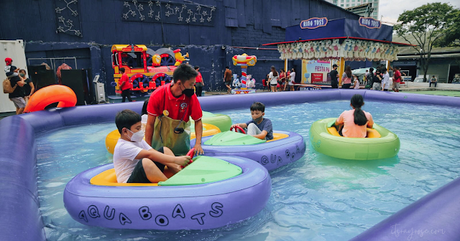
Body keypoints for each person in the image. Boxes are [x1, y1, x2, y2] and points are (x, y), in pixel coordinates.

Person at [113, 109, 191, 183]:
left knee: (164, 150)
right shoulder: (122, 146)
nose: (140, 131)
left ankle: (180, 173)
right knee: (145, 161)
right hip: (129, 181)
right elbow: (149, 155)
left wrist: (176, 161)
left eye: (140, 127)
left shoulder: (137, 140)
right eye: (137, 128)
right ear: (125, 131)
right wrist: (175, 159)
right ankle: (169, 184)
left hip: (143, 173)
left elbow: (152, 151)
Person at [145, 64, 204, 156]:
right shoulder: (157, 95)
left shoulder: (191, 97)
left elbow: (198, 120)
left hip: (181, 142)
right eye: (191, 84)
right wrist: (148, 148)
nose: (193, 87)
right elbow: (150, 124)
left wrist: (198, 144)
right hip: (160, 141)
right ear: (179, 83)